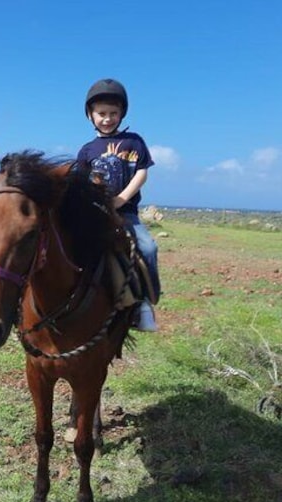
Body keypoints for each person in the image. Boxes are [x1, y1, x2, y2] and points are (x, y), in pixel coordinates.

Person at [76, 78, 160, 332]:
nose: (107, 118)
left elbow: (141, 173)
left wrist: (121, 199)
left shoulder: (134, 142)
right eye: (101, 113)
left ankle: (145, 302)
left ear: (122, 114)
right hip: (96, 214)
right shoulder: (87, 150)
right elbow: (81, 183)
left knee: (147, 247)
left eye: (113, 113)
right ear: (90, 115)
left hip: (126, 213)